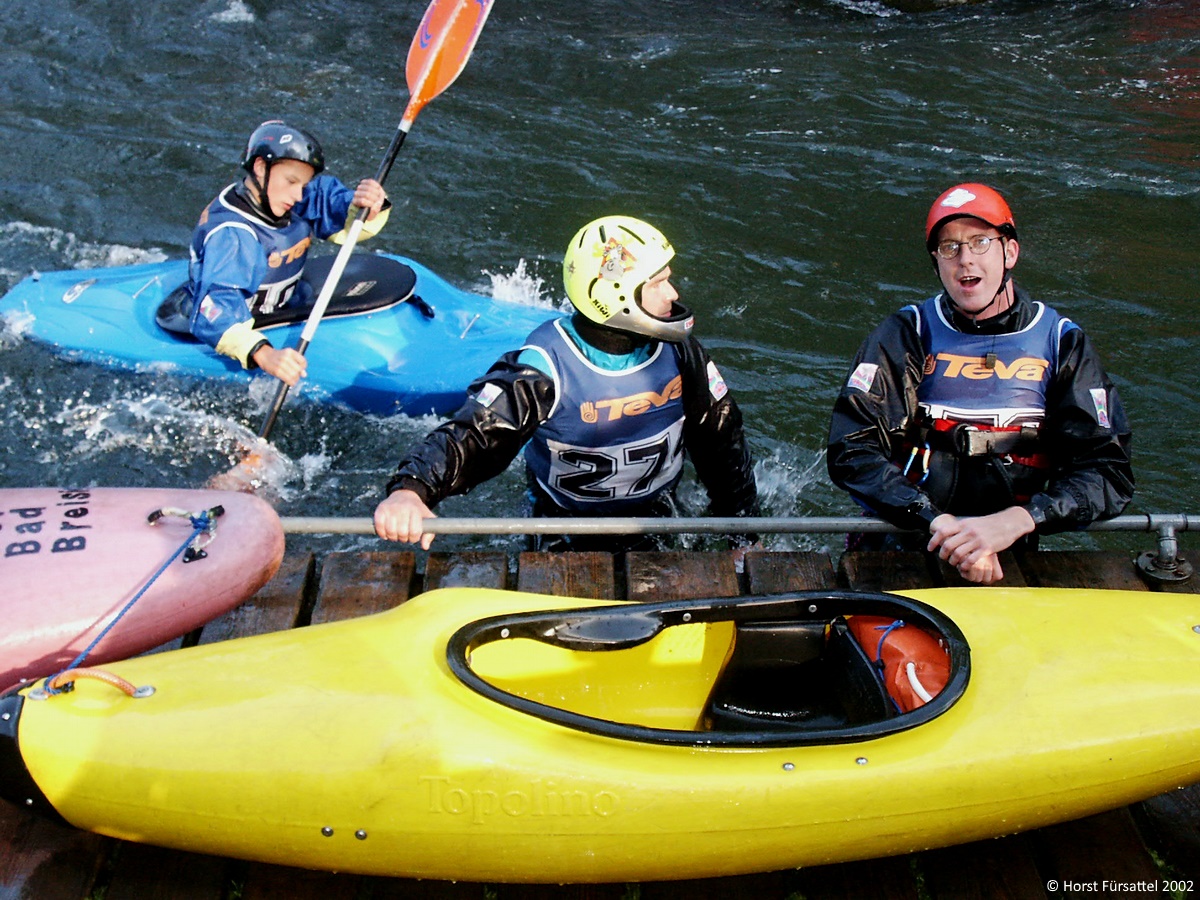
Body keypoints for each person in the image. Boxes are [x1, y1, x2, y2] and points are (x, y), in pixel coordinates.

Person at [374, 215, 759, 554]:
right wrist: (412, 489)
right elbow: (474, 435)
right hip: (563, 532)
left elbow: (721, 444)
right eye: (658, 284)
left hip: (659, 522)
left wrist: (745, 537)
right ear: (615, 296)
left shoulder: (682, 354)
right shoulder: (545, 367)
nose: (672, 294)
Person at [827, 183, 1133, 584]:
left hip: (1011, 546)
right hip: (903, 539)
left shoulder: (1062, 342)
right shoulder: (905, 333)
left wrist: (1020, 520)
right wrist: (937, 523)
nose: (964, 260)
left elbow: (1108, 470)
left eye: (979, 242)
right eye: (949, 248)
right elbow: (852, 449)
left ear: (1010, 252)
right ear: (936, 262)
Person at [180, 120, 390, 386]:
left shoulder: (286, 196)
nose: (298, 194)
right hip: (241, 326)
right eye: (291, 181)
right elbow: (215, 310)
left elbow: (332, 205)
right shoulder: (233, 235)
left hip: (283, 305)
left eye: (303, 184)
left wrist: (366, 205)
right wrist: (264, 354)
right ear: (259, 167)